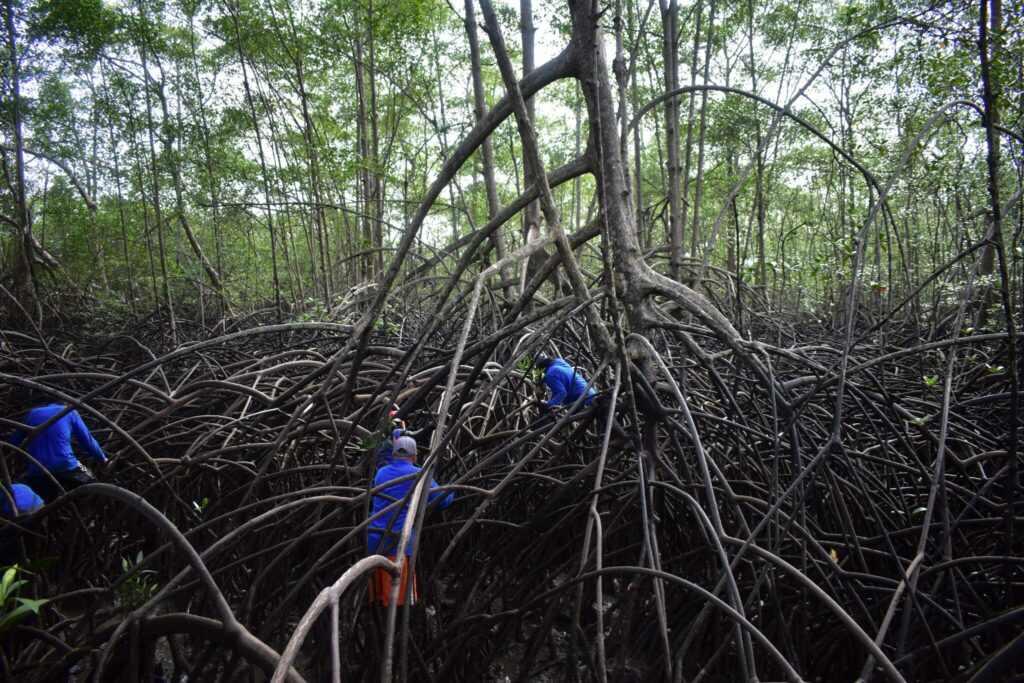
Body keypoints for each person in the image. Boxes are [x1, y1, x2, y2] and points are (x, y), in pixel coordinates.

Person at [367, 435, 453, 607]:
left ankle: (380, 628)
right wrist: (451, 490)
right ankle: (397, 630)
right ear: (415, 456)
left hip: (373, 540)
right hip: (397, 543)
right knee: (399, 601)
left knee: (378, 597)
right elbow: (443, 499)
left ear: (393, 454)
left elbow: (384, 458)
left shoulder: (381, 473)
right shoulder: (417, 475)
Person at [8, 403, 109, 503]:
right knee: (93, 485)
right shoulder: (70, 411)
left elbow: (13, 442)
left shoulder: (32, 414)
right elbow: (87, 440)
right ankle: (84, 514)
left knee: (43, 506)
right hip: (66, 464)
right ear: (65, 403)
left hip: (37, 470)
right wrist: (102, 459)